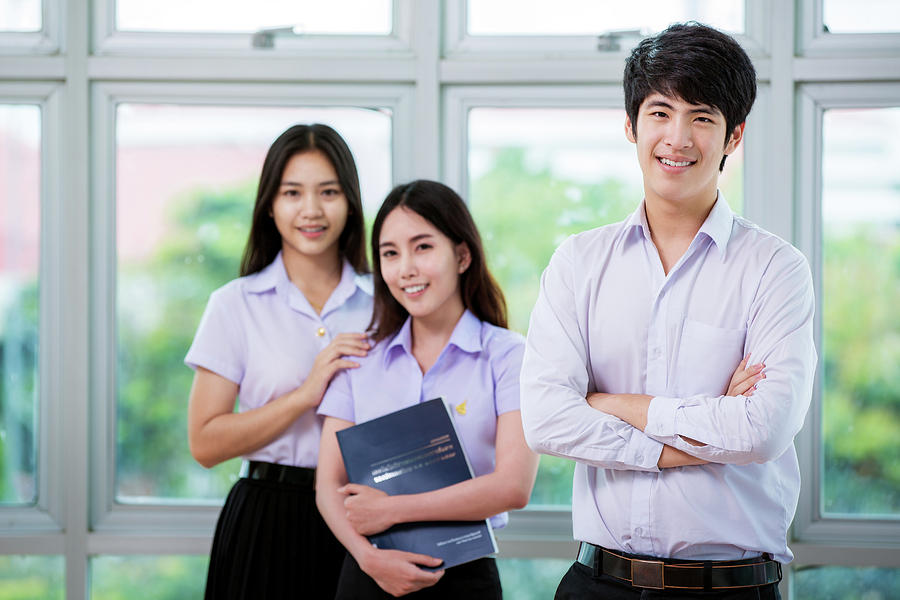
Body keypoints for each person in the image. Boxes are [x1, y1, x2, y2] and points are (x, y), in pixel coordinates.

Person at [520, 22, 817, 599]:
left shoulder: (775, 269)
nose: (677, 138)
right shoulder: (578, 262)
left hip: (730, 588)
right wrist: (692, 444)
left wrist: (612, 405)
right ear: (630, 125)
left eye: (701, 117)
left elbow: (763, 430)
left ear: (733, 136)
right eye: (660, 113)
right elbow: (547, 419)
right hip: (596, 583)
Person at [316, 180, 539, 598]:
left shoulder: (507, 356)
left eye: (422, 247)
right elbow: (327, 484)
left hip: (464, 579)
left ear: (461, 255)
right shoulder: (361, 361)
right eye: (390, 254)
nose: (406, 269)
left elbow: (513, 487)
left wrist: (391, 510)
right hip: (368, 573)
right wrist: (367, 558)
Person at [185, 123, 373, 599]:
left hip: (363, 515)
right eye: (293, 193)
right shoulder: (235, 304)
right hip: (266, 519)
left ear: (350, 202)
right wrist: (306, 395)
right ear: (270, 204)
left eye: (328, 192)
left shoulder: (384, 303)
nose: (311, 210)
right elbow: (205, 443)